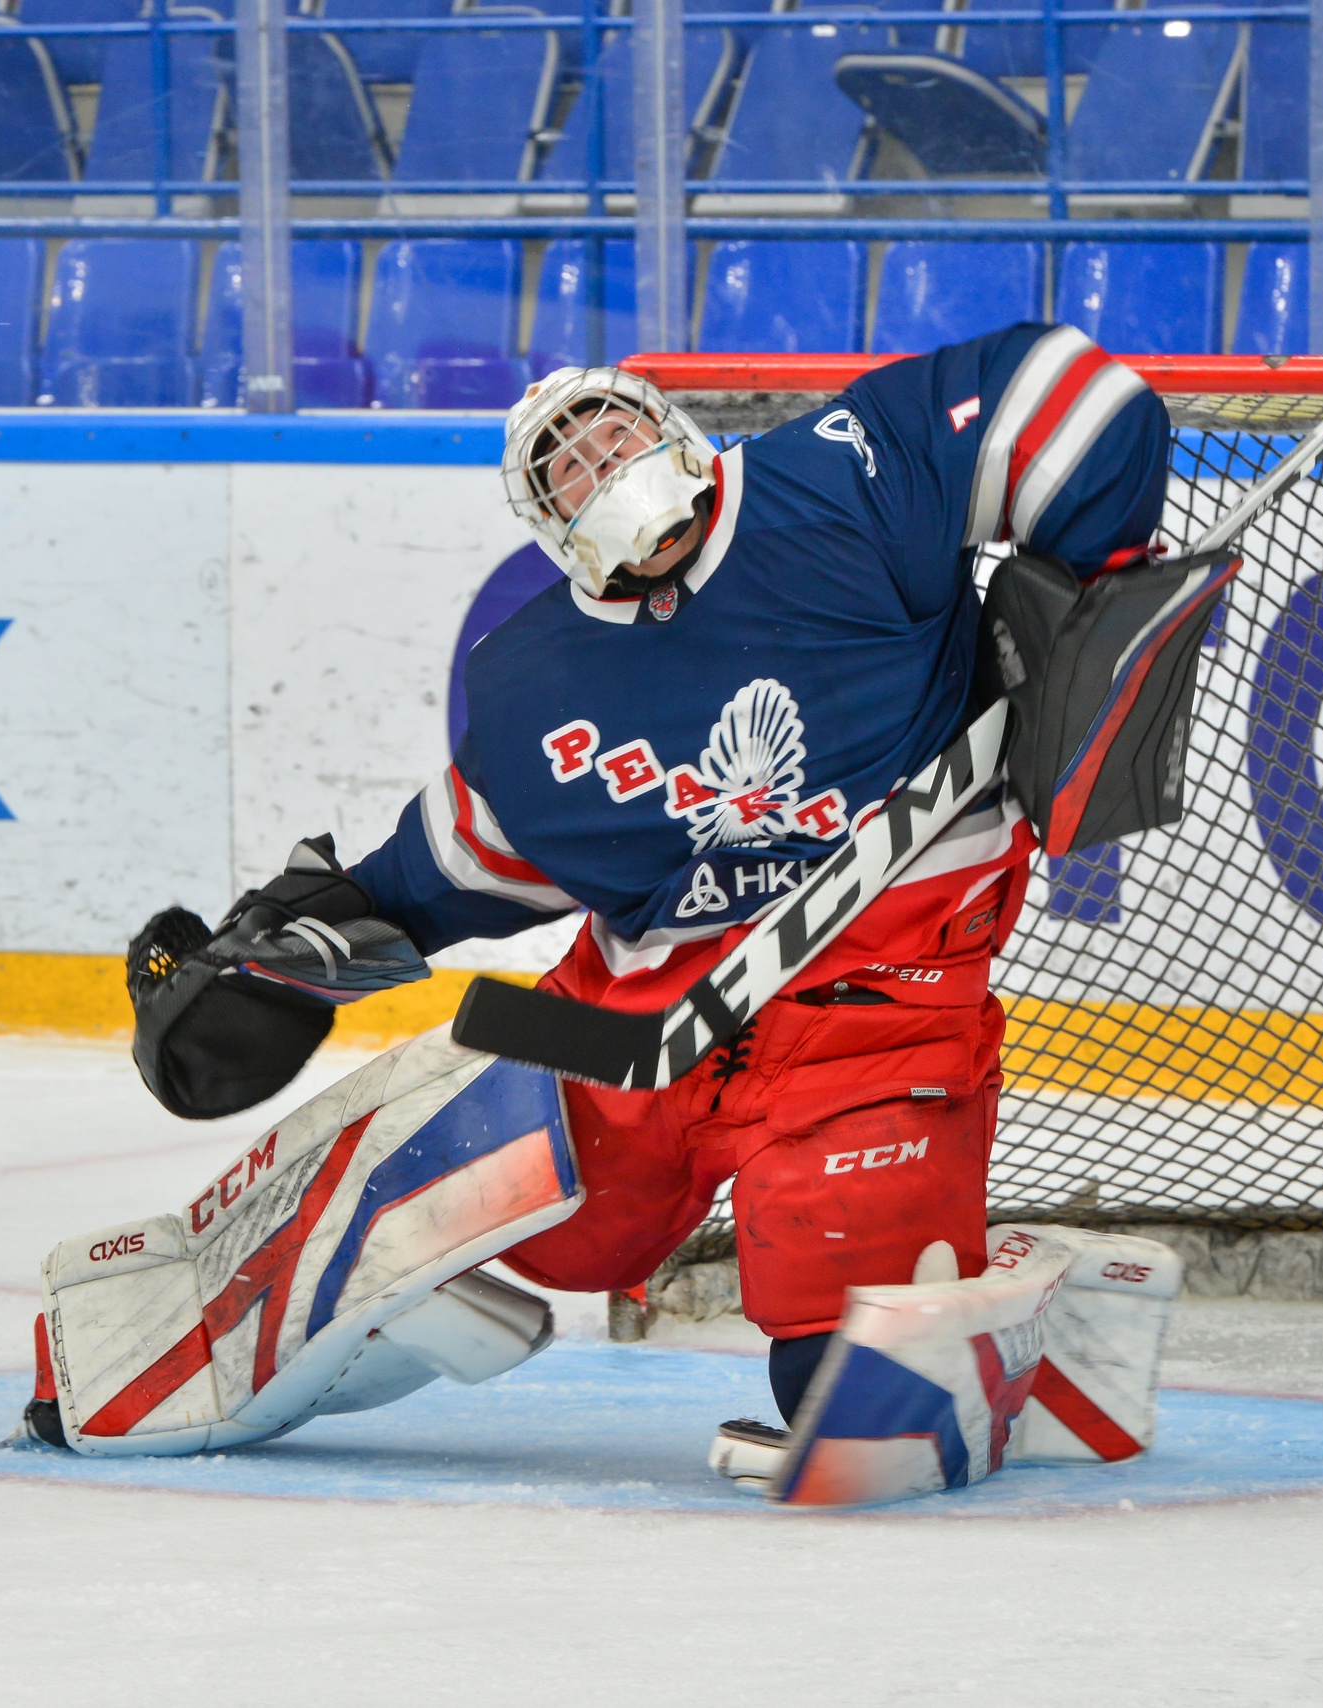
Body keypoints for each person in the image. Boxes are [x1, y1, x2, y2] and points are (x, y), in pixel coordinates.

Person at [333, 326, 1172, 1421]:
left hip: (872, 1023)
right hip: (636, 1024)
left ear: (674, 433)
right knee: (458, 1224)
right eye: (565, 470)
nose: (598, 467)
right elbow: (455, 858)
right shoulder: (529, 672)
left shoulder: (841, 477)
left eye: (610, 435)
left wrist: (1094, 574)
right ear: (552, 529)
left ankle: (1029, 1323)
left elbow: (1078, 399)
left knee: (836, 1383)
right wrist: (319, 924)